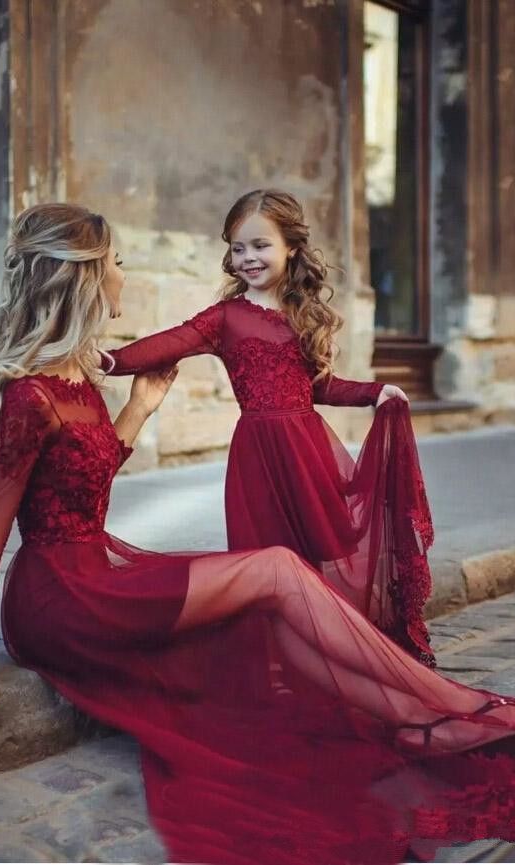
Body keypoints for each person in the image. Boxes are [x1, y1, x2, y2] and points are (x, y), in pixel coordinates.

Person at [0, 203, 515, 865]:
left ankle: (414, 717)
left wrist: (137, 411)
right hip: (58, 600)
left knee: (272, 592)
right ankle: (427, 716)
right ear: (81, 279)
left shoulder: (77, 379)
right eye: (115, 263)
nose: (122, 273)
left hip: (96, 570)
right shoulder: (33, 396)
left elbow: (87, 487)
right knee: (279, 571)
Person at [100, 189, 435, 664]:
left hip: (307, 448)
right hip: (257, 454)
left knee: (313, 552)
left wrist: (373, 392)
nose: (248, 258)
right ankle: (274, 658)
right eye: (238, 248)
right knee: (263, 555)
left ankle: (322, 650)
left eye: (260, 245)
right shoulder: (225, 318)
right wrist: (109, 360)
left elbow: (319, 386)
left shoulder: (305, 315)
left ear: (291, 248)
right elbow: (168, 343)